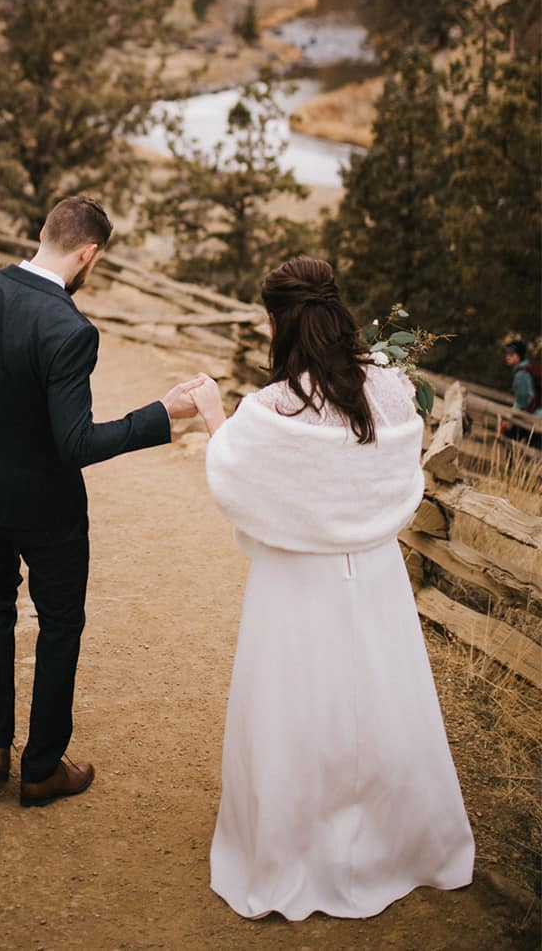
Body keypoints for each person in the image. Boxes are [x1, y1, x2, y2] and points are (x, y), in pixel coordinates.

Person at [194, 256, 473, 920]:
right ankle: (395, 843)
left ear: (276, 323)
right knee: (379, 707)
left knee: (295, 712)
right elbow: (403, 474)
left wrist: (212, 411)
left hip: (295, 583)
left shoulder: (271, 406)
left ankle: (293, 848)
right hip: (374, 575)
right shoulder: (391, 388)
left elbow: (237, 478)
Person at [0, 194, 209, 806]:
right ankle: (41, 768)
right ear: (87, 255)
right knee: (59, 625)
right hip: (47, 511)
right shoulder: (70, 328)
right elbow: (74, 445)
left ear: (43, 233)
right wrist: (162, 413)